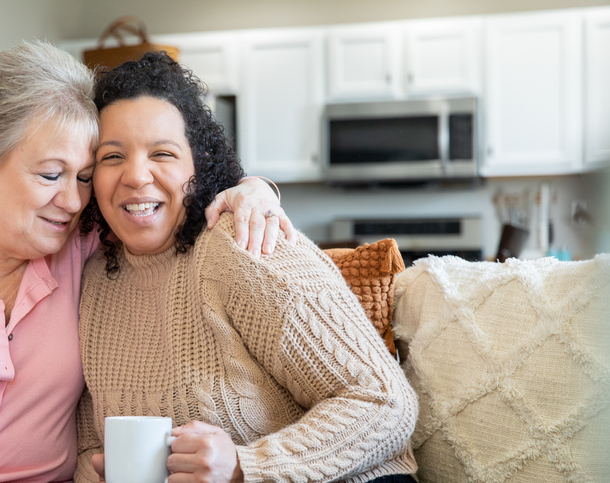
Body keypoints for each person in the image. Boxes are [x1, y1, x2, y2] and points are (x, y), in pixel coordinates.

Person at [0, 41, 294, 482]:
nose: (72, 200)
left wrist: (254, 188)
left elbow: (163, 200)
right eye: (49, 174)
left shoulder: (80, 238)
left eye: (83, 177)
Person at [76, 51, 419, 483]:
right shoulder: (94, 282)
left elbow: (385, 403)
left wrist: (245, 466)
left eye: (162, 153)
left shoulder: (241, 244)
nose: (136, 176)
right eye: (111, 157)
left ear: (197, 168)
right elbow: (91, 444)